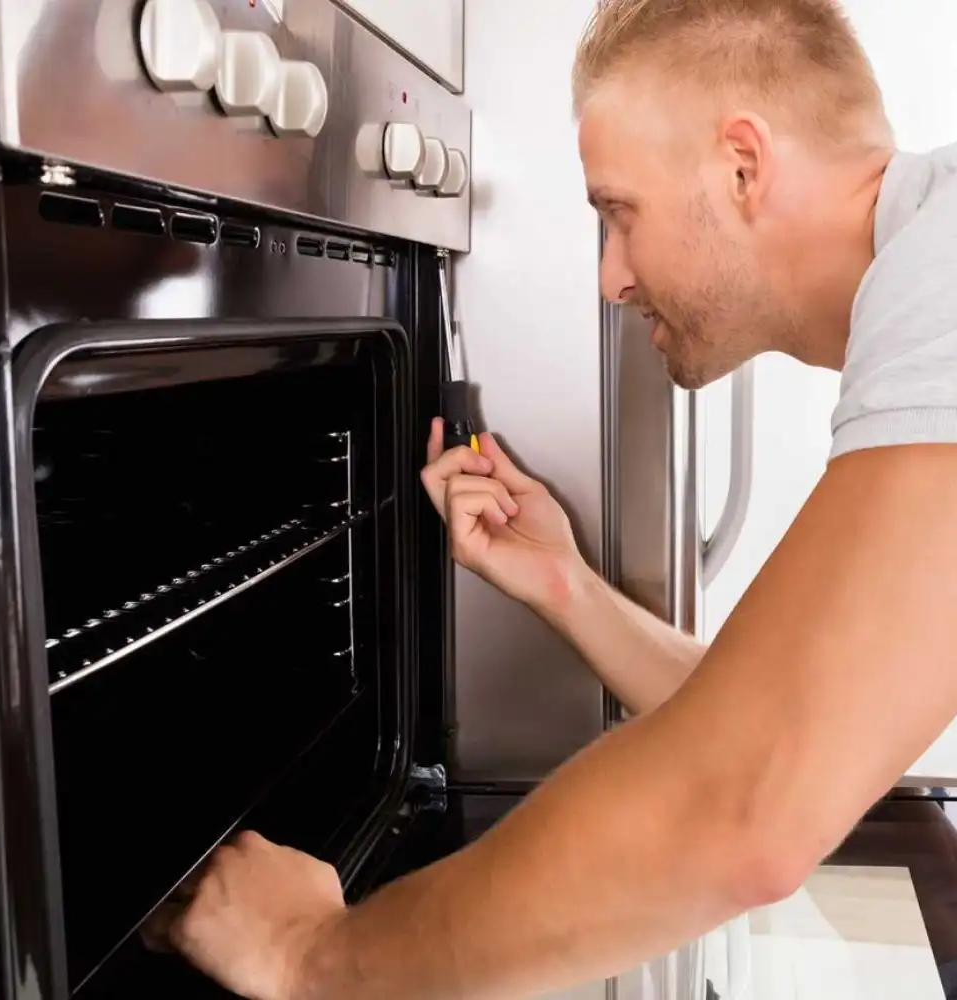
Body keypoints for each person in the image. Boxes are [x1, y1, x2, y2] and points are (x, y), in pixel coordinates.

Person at [152, 0, 957, 997]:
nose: (613, 277)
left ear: (741, 166)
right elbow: (793, 732)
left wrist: (313, 957)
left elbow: (742, 805)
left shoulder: (943, 276)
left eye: (618, 212)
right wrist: (563, 582)